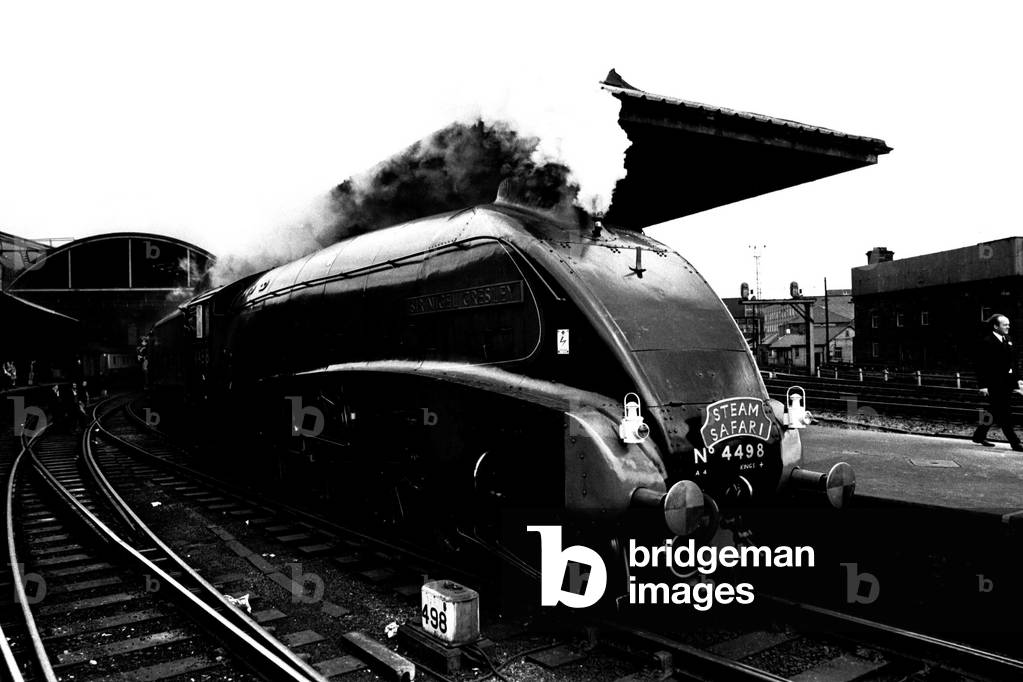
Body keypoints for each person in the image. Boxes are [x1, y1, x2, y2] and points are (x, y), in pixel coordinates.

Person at [972, 314, 1023, 451]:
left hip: (1007, 383)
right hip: (994, 383)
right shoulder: (987, 342)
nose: (1008, 326)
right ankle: (1015, 442)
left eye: (1008, 324)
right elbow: (980, 366)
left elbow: (1013, 363)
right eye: (1005, 324)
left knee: (993, 410)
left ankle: (979, 435)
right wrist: (982, 385)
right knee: (1005, 413)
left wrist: (1018, 380)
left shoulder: (1009, 339)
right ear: (995, 326)